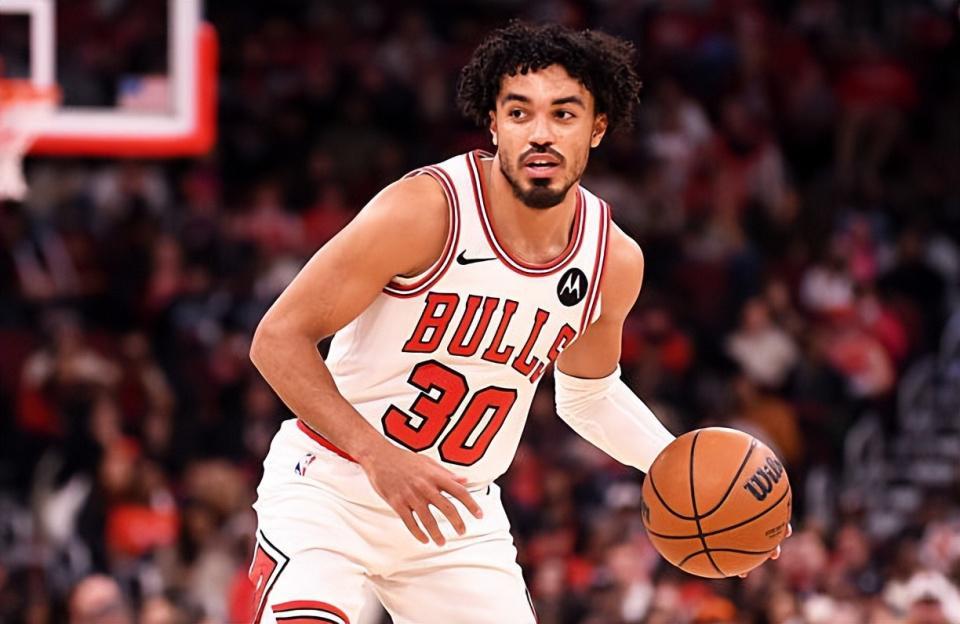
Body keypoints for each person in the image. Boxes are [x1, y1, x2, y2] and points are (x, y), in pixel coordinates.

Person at [248, 21, 779, 624]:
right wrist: (378, 455)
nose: (540, 133)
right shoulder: (426, 211)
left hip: (457, 514)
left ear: (597, 128)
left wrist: (699, 483)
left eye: (564, 114)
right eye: (520, 113)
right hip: (332, 486)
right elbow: (277, 339)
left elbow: (589, 396)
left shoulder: (611, 260)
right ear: (494, 124)